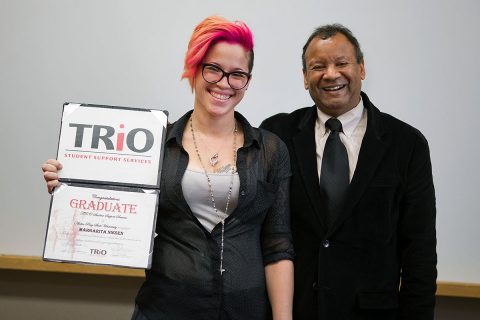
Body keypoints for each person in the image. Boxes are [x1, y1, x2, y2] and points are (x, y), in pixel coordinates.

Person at [42, 16, 294, 320]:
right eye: (213, 68)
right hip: (166, 309)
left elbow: (278, 244)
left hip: (246, 311)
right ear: (194, 67)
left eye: (237, 74)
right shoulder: (153, 144)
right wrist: (70, 183)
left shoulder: (270, 150)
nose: (224, 83)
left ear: (248, 81)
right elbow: (112, 203)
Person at [260, 24, 437, 319]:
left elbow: (419, 252)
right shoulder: (277, 135)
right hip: (296, 310)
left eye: (341, 63)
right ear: (305, 78)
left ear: (362, 68)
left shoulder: (406, 144)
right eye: (318, 66)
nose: (331, 74)